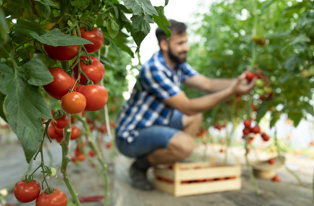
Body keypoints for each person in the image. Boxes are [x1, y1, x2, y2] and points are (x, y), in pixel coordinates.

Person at [115, 19, 256, 190]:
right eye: (180, 43)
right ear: (164, 45)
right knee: (186, 144)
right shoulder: (155, 69)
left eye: (186, 42)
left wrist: (238, 82)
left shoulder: (177, 65)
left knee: (195, 117)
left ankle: (169, 158)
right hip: (131, 136)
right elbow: (187, 107)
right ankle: (140, 166)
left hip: (157, 123)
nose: (186, 48)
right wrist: (231, 91)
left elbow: (208, 84)